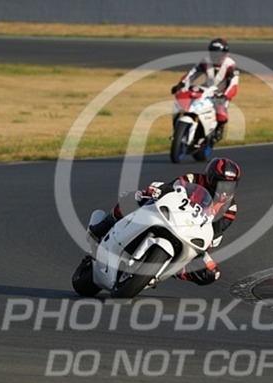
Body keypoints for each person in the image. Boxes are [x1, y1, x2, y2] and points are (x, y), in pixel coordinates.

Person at [88, 157, 241, 286]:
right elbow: (171, 188)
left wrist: (209, 241)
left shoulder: (230, 208)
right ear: (210, 178)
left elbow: (215, 231)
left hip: (190, 232)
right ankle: (103, 227)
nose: (224, 190)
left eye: (230, 185)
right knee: (134, 197)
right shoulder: (193, 179)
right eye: (221, 183)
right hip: (169, 213)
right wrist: (160, 190)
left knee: (211, 273)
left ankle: (168, 269)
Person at [170, 38, 239, 145]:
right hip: (206, 89)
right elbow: (192, 73)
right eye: (213, 53)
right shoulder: (205, 61)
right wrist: (181, 84)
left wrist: (225, 96)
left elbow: (233, 84)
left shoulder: (231, 65)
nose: (216, 56)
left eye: (218, 54)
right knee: (185, 101)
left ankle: (218, 130)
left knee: (221, 115)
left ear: (225, 54)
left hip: (221, 93)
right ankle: (178, 132)